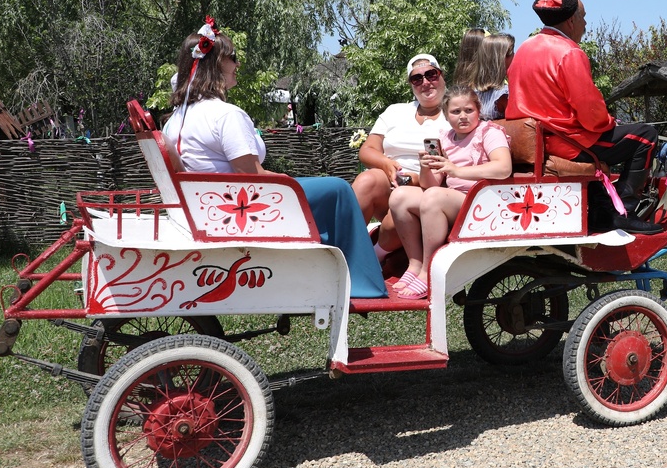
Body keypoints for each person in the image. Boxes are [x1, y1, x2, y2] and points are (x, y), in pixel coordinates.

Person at [162, 19, 385, 298]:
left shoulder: (176, 120)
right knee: (338, 189)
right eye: (233, 57)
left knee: (322, 187)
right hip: (239, 209)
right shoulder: (225, 115)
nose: (237, 65)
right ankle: (359, 281)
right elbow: (252, 178)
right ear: (217, 63)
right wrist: (289, 181)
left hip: (212, 206)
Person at [506, 0, 661, 234]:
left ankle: (602, 212)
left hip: (534, 141)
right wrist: (610, 122)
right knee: (645, 136)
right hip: (566, 142)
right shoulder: (569, 52)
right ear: (570, 21)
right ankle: (623, 210)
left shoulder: (525, 48)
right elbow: (591, 116)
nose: (586, 25)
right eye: (584, 17)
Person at [387, 85, 513, 298]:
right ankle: (415, 264)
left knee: (434, 198)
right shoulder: (446, 138)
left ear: (478, 110)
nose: (463, 116)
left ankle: (429, 271)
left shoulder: (488, 132)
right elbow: (430, 184)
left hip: (483, 200)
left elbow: (503, 168)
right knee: (400, 196)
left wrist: (457, 170)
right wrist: (425, 166)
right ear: (446, 115)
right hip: (452, 199)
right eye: (456, 112)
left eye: (468, 110)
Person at [351, 54, 450, 255]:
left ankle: (374, 259)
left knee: (400, 206)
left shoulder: (455, 113)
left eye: (431, 74)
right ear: (411, 85)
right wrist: (388, 165)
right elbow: (367, 150)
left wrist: (416, 179)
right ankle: (347, 249)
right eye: (417, 78)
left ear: (442, 76)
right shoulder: (395, 111)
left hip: (430, 184)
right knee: (366, 180)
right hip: (391, 179)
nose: (425, 82)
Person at [457, 32, 514, 119]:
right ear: (500, 60)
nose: (515, 56)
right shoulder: (505, 95)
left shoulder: (471, 94)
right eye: (511, 53)